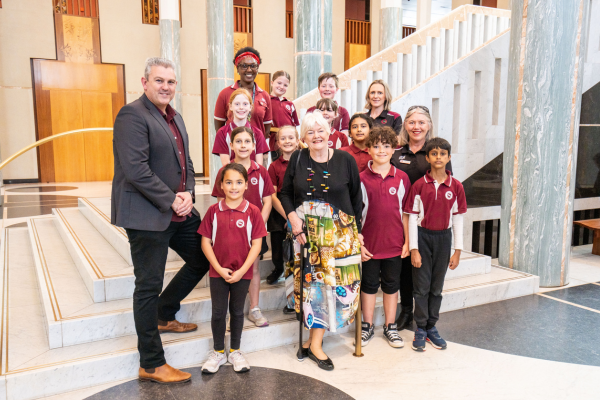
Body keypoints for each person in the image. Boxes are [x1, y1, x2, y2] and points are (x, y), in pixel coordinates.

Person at [111, 57, 210, 384]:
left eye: (171, 82)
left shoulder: (175, 117)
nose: (166, 86)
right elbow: (136, 170)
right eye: (159, 81)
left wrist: (190, 194)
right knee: (148, 285)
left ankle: (165, 312)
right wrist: (173, 200)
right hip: (145, 215)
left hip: (178, 210)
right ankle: (151, 363)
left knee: (202, 258)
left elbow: (188, 163)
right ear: (145, 82)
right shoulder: (131, 115)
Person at [279, 112, 363, 371]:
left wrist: (357, 232)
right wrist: (293, 219)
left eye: (321, 130)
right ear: (303, 137)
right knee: (310, 290)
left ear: (330, 132)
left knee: (334, 287)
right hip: (306, 234)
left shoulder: (345, 159)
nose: (317, 136)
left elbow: (357, 199)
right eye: (310, 132)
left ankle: (316, 342)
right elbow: (284, 193)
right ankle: (313, 343)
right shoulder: (298, 158)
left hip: (339, 237)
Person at [199, 163, 268, 373]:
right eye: (228, 182)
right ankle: (218, 352)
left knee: (237, 312)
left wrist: (242, 271)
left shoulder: (253, 211)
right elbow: (205, 242)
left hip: (242, 273)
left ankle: (235, 350)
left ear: (246, 185)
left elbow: (256, 244)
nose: (233, 187)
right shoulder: (213, 211)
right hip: (218, 272)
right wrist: (219, 269)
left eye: (239, 182)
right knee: (218, 312)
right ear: (221, 185)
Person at [390, 105, 453, 332]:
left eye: (421, 122)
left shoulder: (436, 153)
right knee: (404, 269)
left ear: (429, 125)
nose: (416, 127)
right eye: (412, 122)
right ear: (405, 125)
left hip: (425, 225)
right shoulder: (396, 153)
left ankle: (423, 317)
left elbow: (447, 189)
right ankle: (406, 311)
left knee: (424, 272)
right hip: (398, 220)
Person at [404, 137, 466, 352]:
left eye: (442, 154)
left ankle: (431, 327)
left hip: (443, 239)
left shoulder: (456, 186)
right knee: (421, 287)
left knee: (436, 288)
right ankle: (420, 328)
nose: (438, 157)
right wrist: (414, 249)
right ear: (428, 157)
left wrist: (457, 251)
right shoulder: (420, 185)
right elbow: (412, 217)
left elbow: (458, 218)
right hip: (423, 237)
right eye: (434, 153)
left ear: (449, 158)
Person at [212, 127, 274, 327]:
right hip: (230, 232)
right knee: (230, 268)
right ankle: (232, 312)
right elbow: (220, 203)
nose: (243, 146)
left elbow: (268, 202)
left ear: (254, 146)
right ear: (231, 145)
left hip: (254, 233)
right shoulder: (224, 172)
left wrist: (257, 227)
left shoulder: (261, 171)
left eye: (247, 142)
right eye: (238, 141)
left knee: (253, 268)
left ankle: (254, 308)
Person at [359, 126, 411, 349]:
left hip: (394, 245)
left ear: (394, 150)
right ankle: (367, 325)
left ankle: (390, 326)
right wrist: (358, 244)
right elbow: (353, 215)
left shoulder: (402, 178)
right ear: (368, 149)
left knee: (392, 286)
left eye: (386, 146)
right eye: (377, 146)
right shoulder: (360, 178)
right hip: (369, 246)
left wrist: (408, 242)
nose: (381, 150)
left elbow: (406, 214)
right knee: (369, 286)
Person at [214, 47, 272, 143]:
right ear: (237, 68)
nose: (249, 70)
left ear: (257, 68)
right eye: (244, 66)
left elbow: (266, 129)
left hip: (257, 149)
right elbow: (219, 128)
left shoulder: (265, 96)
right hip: (233, 149)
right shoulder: (225, 94)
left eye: (253, 66)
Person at [266, 126, 301, 285]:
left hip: (298, 205)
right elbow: (272, 195)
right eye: (283, 138)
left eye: (291, 138)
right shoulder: (273, 166)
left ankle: (297, 269)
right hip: (279, 207)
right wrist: (287, 214)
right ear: (278, 143)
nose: (287, 141)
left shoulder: (303, 161)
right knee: (277, 242)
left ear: (297, 140)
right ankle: (278, 267)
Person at [212, 88, 269, 166]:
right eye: (237, 104)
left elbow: (259, 166)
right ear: (231, 106)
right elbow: (226, 166)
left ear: (250, 107)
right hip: (232, 176)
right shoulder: (222, 133)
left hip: (252, 176)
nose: (241, 107)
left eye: (245, 104)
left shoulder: (258, 133)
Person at [269, 71, 300, 161]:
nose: (282, 87)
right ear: (272, 83)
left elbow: (296, 124)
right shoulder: (266, 101)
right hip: (275, 143)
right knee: (278, 165)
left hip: (290, 142)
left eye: (285, 85)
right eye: (279, 83)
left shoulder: (290, 104)